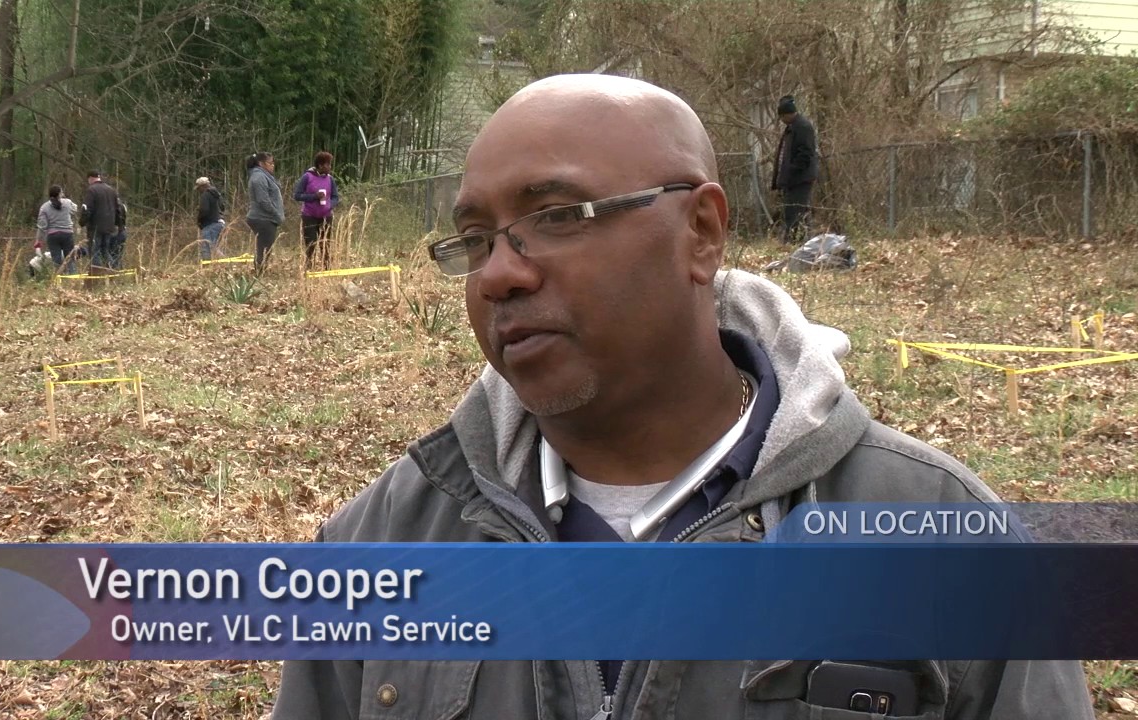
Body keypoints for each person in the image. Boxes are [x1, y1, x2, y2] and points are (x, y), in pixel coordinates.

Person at [269, 74, 1092, 719]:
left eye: (558, 215)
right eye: (475, 240)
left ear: (700, 231)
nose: (499, 273)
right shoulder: (379, 544)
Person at [770, 95, 819, 245]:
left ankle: (797, 242)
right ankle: (795, 241)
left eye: (782, 116)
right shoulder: (791, 128)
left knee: (796, 212)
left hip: (800, 179)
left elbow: (805, 153)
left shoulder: (803, 127)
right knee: (792, 212)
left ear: (787, 114)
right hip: (792, 180)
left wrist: (792, 170)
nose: (782, 120)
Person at [292, 151, 340, 269]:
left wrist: (330, 205)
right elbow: (297, 195)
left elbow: (335, 197)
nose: (329, 167)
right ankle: (309, 267)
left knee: (326, 243)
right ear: (320, 165)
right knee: (311, 243)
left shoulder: (330, 179)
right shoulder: (307, 177)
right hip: (309, 216)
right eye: (327, 164)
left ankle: (326, 267)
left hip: (326, 216)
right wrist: (314, 196)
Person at [245, 152, 284, 272]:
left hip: (267, 218)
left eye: (273, 163)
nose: (273, 165)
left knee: (266, 248)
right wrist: (276, 214)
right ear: (261, 164)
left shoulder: (265, 176)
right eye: (270, 163)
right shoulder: (259, 177)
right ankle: (259, 272)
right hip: (263, 218)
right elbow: (263, 201)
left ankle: (261, 270)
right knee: (264, 248)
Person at [79, 170, 120, 269]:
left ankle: (97, 274)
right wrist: (116, 224)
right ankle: (114, 271)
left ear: (90, 178)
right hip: (109, 227)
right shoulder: (111, 190)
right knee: (105, 251)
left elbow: (87, 209)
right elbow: (117, 209)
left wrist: (82, 223)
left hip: (95, 227)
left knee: (94, 252)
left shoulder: (92, 190)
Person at [35, 185, 78, 274]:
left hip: (52, 235)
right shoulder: (67, 203)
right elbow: (75, 209)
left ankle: (59, 281)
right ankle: (73, 278)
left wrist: (38, 240)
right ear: (60, 194)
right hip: (67, 234)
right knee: (70, 258)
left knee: (56, 260)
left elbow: (42, 226)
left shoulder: (44, 207)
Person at [195, 176, 226, 261]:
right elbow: (222, 207)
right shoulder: (217, 194)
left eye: (199, 188)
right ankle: (222, 265)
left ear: (203, 186)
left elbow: (204, 210)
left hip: (210, 224)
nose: (198, 191)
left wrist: (199, 220)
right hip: (220, 223)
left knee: (207, 247)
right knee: (215, 246)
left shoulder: (205, 195)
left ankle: (208, 266)